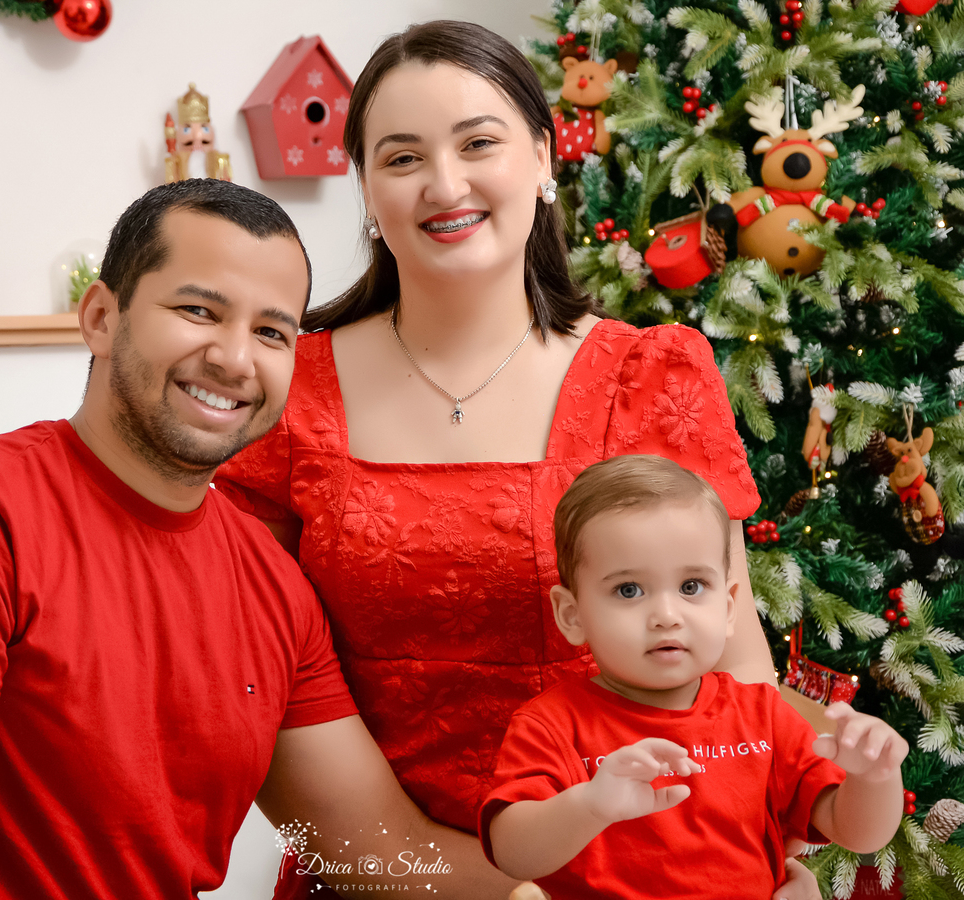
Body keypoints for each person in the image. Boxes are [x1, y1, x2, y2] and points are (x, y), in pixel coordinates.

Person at [215, 20, 822, 900]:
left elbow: (733, 673)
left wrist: (765, 864)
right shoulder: (285, 395)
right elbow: (266, 721)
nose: (445, 184)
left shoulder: (652, 374)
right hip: (387, 882)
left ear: (542, 160)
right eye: (401, 157)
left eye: (479, 143)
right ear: (368, 193)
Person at [0, 179, 523, 900]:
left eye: (272, 331)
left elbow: (369, 852)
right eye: (198, 310)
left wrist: (549, 893)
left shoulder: (271, 586)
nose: (235, 359)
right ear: (99, 317)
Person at [480, 455, 908, 898]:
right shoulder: (550, 726)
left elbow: (856, 832)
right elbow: (512, 854)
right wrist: (588, 806)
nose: (667, 616)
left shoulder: (763, 715)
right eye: (629, 590)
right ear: (572, 615)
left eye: (691, 587)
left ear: (727, 609)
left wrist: (874, 778)